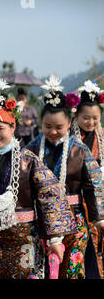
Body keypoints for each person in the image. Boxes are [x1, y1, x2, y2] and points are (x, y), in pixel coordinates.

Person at [0, 77, 77, 279]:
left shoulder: (29, 161)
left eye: (0, 128)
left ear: (13, 127)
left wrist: (55, 240)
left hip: (24, 244)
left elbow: (50, 196)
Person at [25, 75, 104, 279]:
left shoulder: (80, 151)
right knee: (41, 270)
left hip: (74, 222)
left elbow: (93, 186)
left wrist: (98, 218)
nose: (53, 132)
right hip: (40, 221)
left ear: (70, 122)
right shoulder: (31, 150)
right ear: (40, 123)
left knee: (72, 271)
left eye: (59, 127)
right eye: (47, 126)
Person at [67, 80, 104, 278]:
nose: (90, 122)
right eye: (85, 118)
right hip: (76, 201)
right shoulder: (68, 139)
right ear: (76, 115)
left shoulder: (102, 137)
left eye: (95, 118)